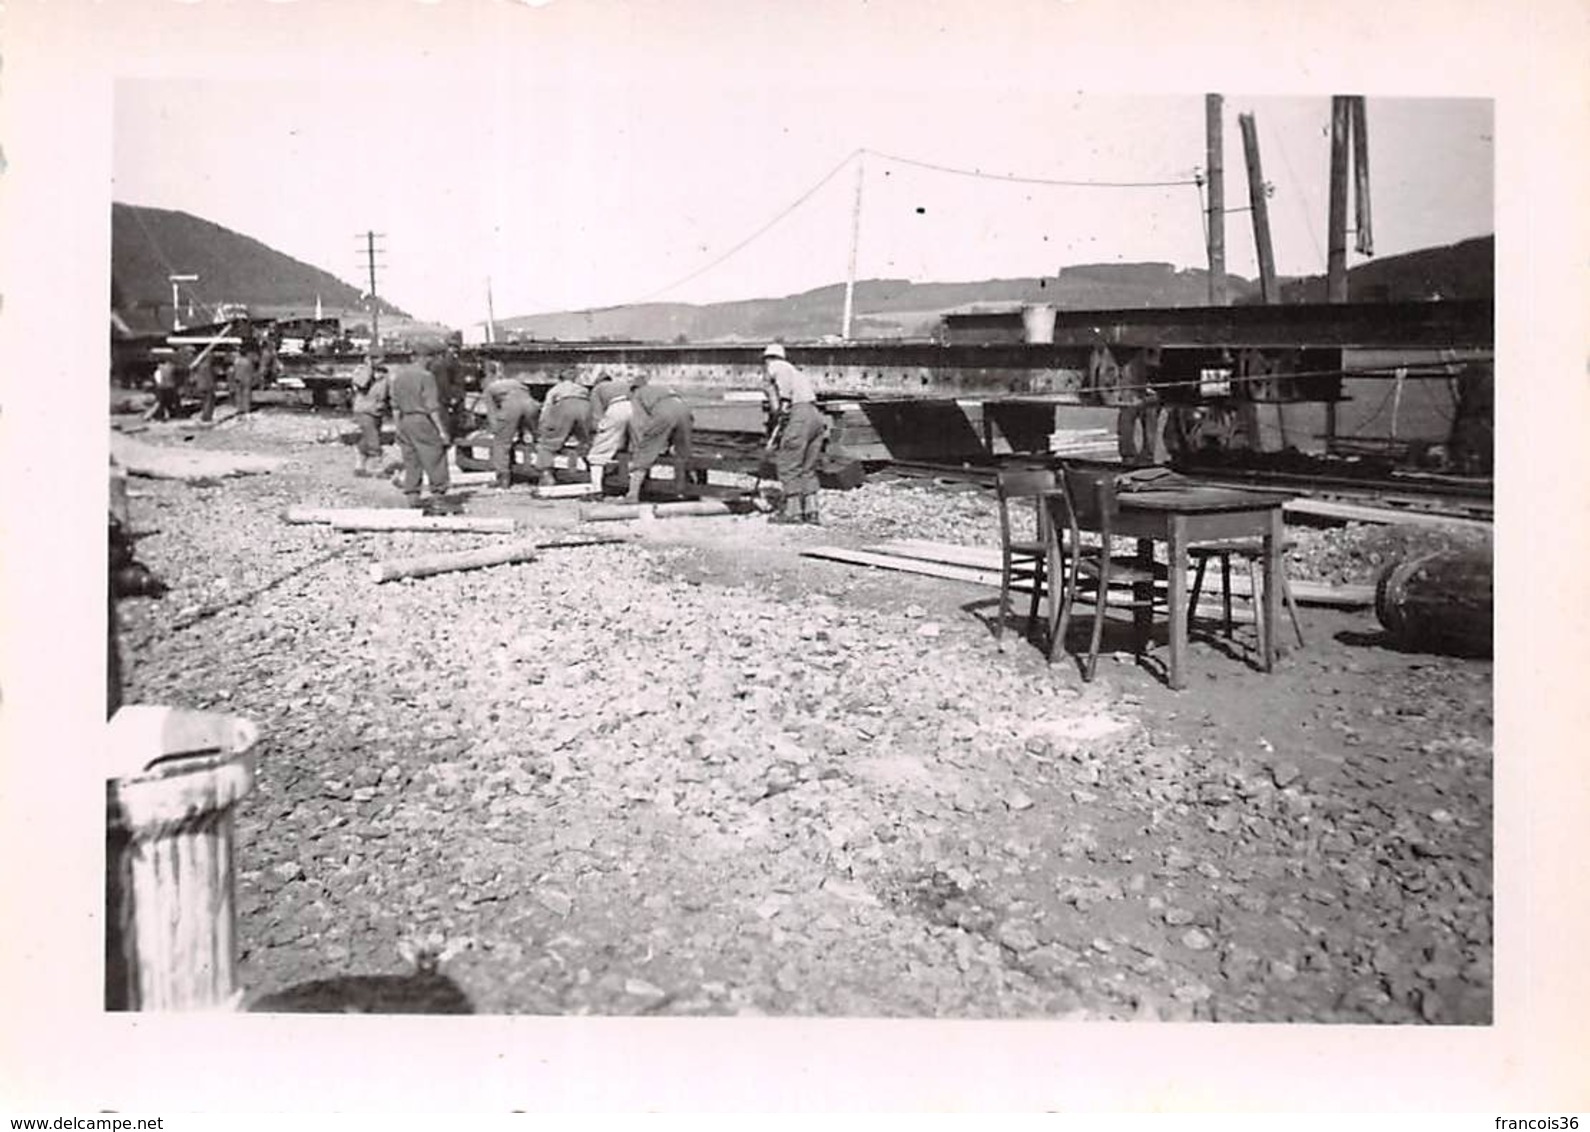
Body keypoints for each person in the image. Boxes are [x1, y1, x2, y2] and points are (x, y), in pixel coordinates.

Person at [761, 343, 827, 524]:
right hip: (815, 416)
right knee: (807, 465)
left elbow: (783, 399)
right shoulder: (796, 371)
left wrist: (781, 408)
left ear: (768, 358)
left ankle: (793, 513)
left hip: (798, 415)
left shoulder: (776, 367)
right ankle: (812, 511)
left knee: (789, 462)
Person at [387, 341, 452, 507]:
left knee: (411, 459)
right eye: (430, 357)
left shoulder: (398, 376)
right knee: (434, 455)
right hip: (423, 420)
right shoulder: (426, 376)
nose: (431, 361)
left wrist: (398, 427)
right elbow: (432, 407)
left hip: (404, 420)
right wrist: (442, 431)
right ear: (426, 358)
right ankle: (438, 496)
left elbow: (394, 405)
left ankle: (413, 497)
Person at [625, 376, 694, 503]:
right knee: (683, 452)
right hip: (684, 409)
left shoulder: (638, 394)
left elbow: (640, 424)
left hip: (664, 412)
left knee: (644, 452)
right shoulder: (661, 388)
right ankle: (690, 489)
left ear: (634, 388)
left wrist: (640, 446)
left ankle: (632, 494)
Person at [482, 365, 541, 488]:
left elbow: (492, 414)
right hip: (530, 405)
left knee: (501, 443)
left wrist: (496, 430)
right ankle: (545, 471)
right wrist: (524, 432)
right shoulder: (516, 382)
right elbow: (524, 402)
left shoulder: (489, 388)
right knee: (538, 439)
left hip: (510, 407)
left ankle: (503, 478)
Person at [532, 371, 593, 488]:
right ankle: (594, 472)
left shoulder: (556, 389)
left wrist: (543, 427)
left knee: (548, 444)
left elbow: (547, 408)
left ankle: (546, 476)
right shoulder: (582, 389)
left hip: (565, 406)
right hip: (585, 407)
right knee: (586, 442)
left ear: (560, 379)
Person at [584, 369, 633, 496]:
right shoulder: (623, 384)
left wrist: (596, 434)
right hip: (634, 408)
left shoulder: (598, 389)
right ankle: (633, 486)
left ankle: (596, 491)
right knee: (630, 448)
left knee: (597, 455)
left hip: (616, 409)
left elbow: (597, 415)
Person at [350, 356, 391, 477]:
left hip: (377, 409)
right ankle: (378, 469)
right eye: (375, 358)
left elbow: (389, 391)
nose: (380, 360)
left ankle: (360, 466)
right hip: (364, 409)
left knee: (369, 437)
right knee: (373, 439)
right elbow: (361, 383)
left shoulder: (386, 373)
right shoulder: (361, 370)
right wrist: (369, 368)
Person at [190, 348, 217, 423]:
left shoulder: (198, 366)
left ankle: (204, 415)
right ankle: (207, 417)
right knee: (209, 401)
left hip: (200, 385)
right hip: (208, 385)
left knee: (204, 401)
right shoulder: (208, 366)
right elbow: (211, 376)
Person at [231, 344, 259, 415]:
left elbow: (234, 370)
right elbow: (251, 370)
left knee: (238, 394)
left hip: (238, 379)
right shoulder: (248, 361)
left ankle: (239, 408)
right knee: (246, 395)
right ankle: (247, 409)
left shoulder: (236, 361)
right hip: (247, 380)